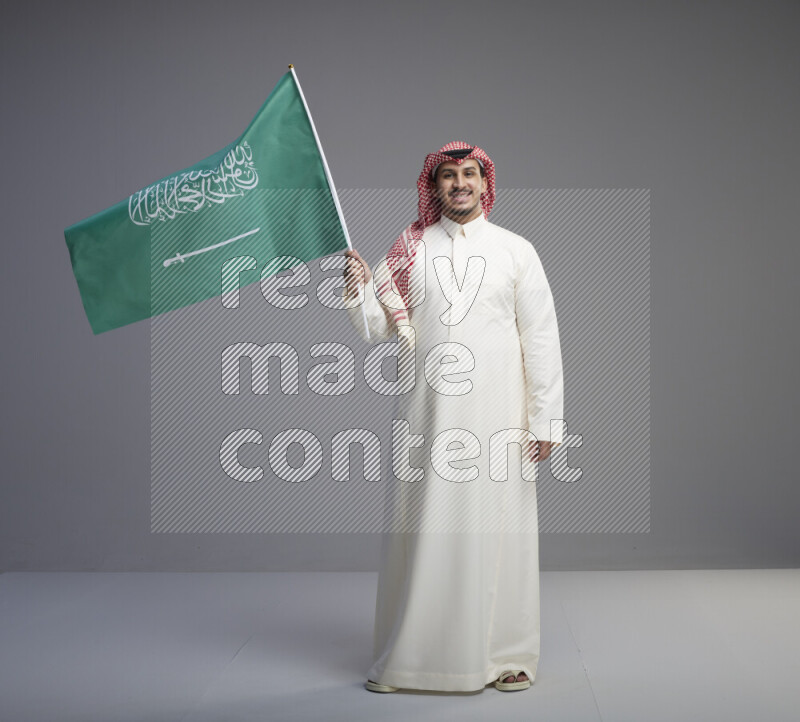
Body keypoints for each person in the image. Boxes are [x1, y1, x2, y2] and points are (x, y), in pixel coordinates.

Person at [342, 141, 564, 693]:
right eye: (448, 175)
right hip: (426, 418)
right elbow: (377, 326)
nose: (459, 183)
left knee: (502, 531)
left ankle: (507, 655)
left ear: (485, 184)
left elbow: (540, 338)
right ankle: (408, 659)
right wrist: (359, 289)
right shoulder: (409, 249)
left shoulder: (516, 251)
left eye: (469, 174)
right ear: (433, 186)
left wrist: (546, 420)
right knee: (423, 529)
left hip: (500, 419)